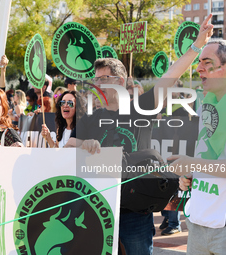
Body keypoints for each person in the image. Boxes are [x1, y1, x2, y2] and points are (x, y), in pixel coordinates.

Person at [64, 15, 213, 254]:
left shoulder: (142, 108)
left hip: (135, 212)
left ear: (121, 81)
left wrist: (197, 46)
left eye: (104, 79)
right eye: (96, 79)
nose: (98, 84)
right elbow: (69, 151)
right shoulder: (89, 118)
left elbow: (170, 76)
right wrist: (80, 144)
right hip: (95, 208)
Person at [168, 17, 226, 254]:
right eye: (198, 62)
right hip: (199, 223)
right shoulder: (206, 106)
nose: (199, 68)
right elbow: (207, 159)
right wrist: (190, 175)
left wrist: (192, 163)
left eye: (207, 62)